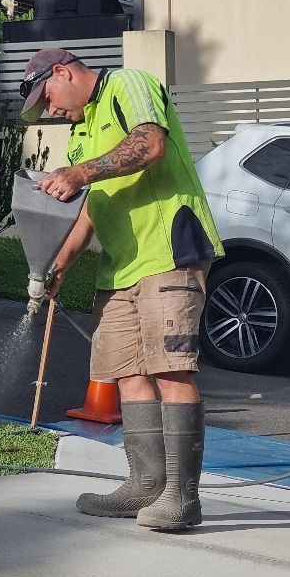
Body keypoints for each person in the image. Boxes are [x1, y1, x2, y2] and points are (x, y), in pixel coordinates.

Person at [19, 45, 224, 533]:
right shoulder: (82, 131)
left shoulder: (128, 85)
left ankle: (182, 497)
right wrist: (59, 263)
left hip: (169, 251)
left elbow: (150, 144)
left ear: (63, 72)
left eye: (46, 96)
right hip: (120, 266)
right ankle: (145, 485)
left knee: (171, 369)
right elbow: (90, 207)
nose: (49, 110)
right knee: (125, 372)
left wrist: (82, 171)